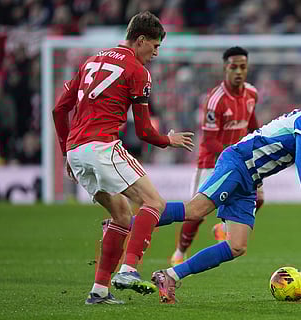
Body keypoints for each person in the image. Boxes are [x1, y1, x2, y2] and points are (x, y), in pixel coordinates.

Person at [148, 83, 301, 303]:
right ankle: (125, 224)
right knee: (195, 211)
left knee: (237, 246)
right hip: (238, 162)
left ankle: (170, 276)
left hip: (251, 179)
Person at [52, 11, 194, 305]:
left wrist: (68, 149)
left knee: (121, 214)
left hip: (77, 151)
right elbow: (143, 131)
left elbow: (59, 109)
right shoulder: (137, 71)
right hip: (102, 145)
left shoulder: (91, 60)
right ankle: (129, 270)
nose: (156, 53)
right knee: (154, 202)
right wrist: (168, 139)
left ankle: (99, 291)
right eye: (154, 46)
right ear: (140, 40)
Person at [169, 46, 265, 267]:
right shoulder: (215, 100)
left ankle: (222, 227)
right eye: (234, 67)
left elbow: (252, 124)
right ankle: (179, 252)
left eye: (243, 67)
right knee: (195, 213)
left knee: (259, 199)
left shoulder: (252, 93)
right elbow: (210, 141)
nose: (239, 71)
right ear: (225, 68)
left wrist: (259, 144)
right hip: (211, 162)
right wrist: (234, 158)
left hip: (242, 162)